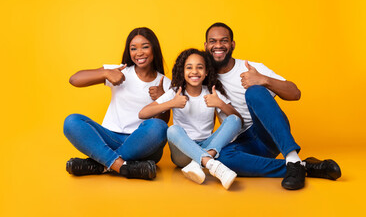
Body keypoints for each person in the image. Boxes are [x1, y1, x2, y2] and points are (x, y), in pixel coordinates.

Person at [203, 22, 341, 190]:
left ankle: (291, 155)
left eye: (224, 40)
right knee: (220, 157)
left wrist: (264, 80)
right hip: (245, 144)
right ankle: (300, 166)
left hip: (270, 133)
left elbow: (295, 93)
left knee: (254, 92)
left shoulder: (252, 68)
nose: (218, 45)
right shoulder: (203, 77)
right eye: (213, 41)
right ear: (206, 46)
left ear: (232, 44)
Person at [63, 27, 171, 180]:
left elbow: (162, 123)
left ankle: (101, 164)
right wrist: (105, 73)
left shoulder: (165, 83)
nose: (139, 52)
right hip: (109, 138)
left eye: (145, 47)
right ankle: (123, 167)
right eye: (133, 48)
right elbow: (74, 79)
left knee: (159, 128)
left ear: (154, 48)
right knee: (72, 121)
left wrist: (162, 99)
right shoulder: (119, 71)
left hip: (141, 144)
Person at [140, 49, 243, 189]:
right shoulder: (175, 92)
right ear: (182, 71)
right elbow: (143, 113)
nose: (194, 71)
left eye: (199, 67)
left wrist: (220, 103)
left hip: (207, 144)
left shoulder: (213, 93)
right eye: (189, 67)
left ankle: (204, 163)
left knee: (234, 120)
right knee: (172, 130)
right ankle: (211, 162)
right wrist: (172, 103)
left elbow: (238, 121)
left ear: (206, 72)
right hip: (182, 154)